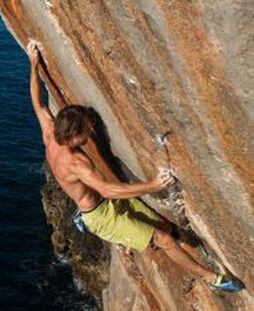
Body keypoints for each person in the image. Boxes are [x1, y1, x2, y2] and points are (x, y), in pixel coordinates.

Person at [26, 43, 243, 293]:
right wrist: (153, 185)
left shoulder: (50, 133)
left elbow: (37, 102)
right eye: (86, 129)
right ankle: (212, 279)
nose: (90, 131)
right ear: (74, 135)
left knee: (166, 226)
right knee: (164, 240)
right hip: (102, 215)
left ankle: (149, 237)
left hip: (102, 203)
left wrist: (34, 64)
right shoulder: (77, 163)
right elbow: (108, 191)